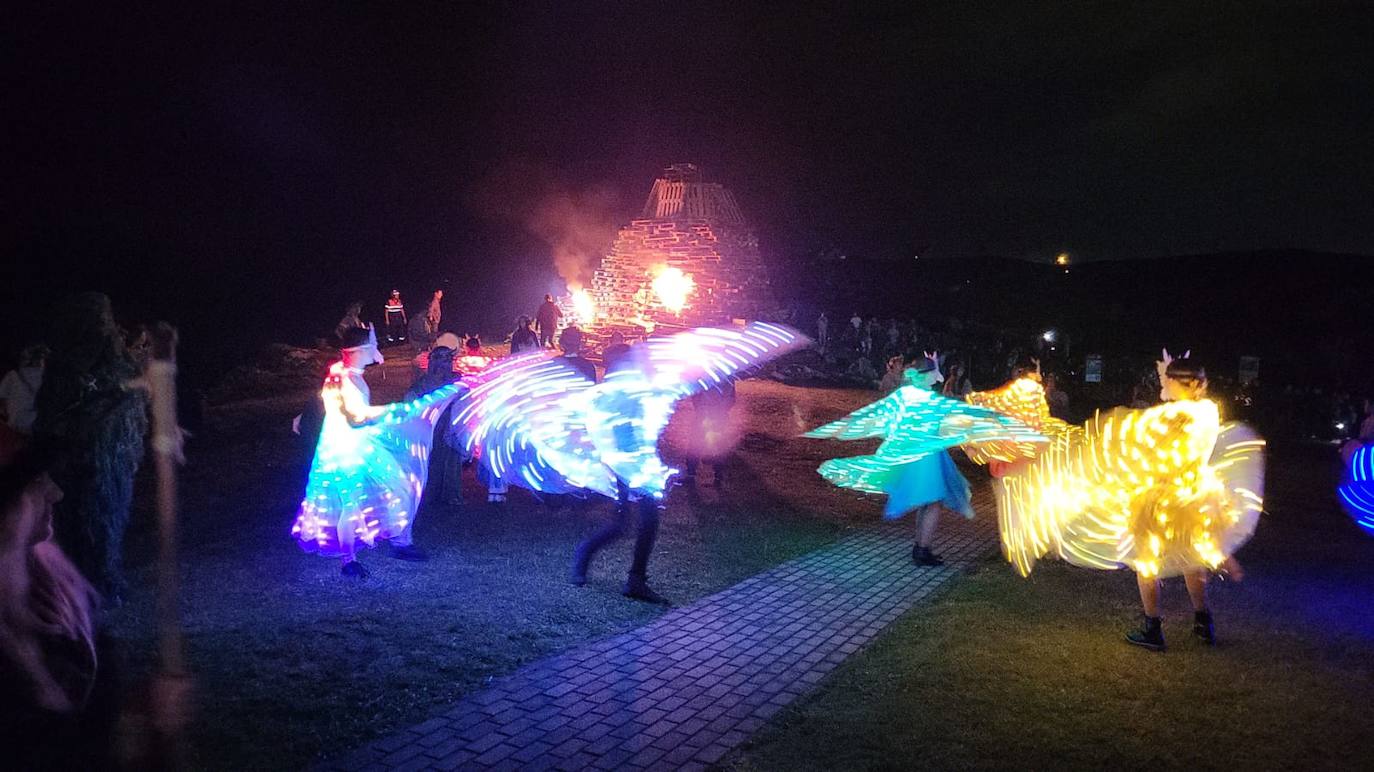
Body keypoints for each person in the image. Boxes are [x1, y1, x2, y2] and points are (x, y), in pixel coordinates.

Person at [804, 352, 1044, 566]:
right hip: (927, 458)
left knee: (928, 502)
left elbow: (885, 416)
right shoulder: (928, 399)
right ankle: (922, 550)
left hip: (920, 454)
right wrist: (998, 418)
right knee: (933, 502)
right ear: (926, 375)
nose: (937, 376)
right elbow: (963, 411)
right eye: (934, 372)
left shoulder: (907, 395)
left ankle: (921, 547)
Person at [290, 325, 465, 576]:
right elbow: (355, 418)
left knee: (399, 486)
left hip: (360, 444)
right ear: (362, 350)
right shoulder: (347, 379)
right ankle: (349, 561)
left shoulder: (342, 371)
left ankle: (401, 542)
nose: (377, 349)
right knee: (351, 503)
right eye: (373, 345)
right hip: (347, 450)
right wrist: (394, 412)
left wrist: (304, 414)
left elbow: (325, 394)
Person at [32, 293, 147, 604]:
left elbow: (133, 405)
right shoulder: (67, 367)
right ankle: (80, 583)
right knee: (74, 523)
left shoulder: (116, 363)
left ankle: (100, 581)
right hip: (75, 461)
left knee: (104, 521)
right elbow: (51, 414)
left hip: (109, 461)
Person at [406, 341, 462, 522]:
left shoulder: (455, 380)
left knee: (452, 460)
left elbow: (462, 400)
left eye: (448, 360)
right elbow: (411, 403)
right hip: (430, 430)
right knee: (433, 462)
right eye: (441, 360)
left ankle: (451, 494)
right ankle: (430, 496)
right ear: (433, 363)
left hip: (451, 428)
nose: (446, 364)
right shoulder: (423, 384)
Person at [1, 344, 47, 435]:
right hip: (34, 421)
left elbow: (2, 397)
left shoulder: (13, 375)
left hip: (13, 421)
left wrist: (5, 413)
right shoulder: (46, 377)